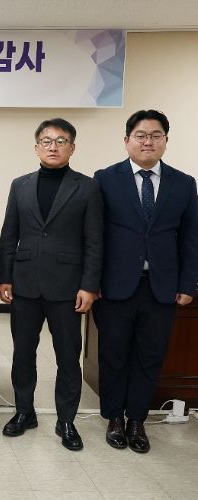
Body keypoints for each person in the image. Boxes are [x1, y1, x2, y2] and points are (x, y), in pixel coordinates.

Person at [94, 110, 198, 453]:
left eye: (156, 135)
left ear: (166, 141)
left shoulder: (184, 183)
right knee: (113, 354)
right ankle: (114, 417)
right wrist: (92, 281)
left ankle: (137, 420)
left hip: (162, 287)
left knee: (149, 356)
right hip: (115, 286)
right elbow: (95, 236)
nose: (148, 141)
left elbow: (191, 238)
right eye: (141, 135)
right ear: (127, 141)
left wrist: (188, 284)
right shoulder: (105, 179)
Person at [0, 118, 103, 451]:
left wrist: (89, 285)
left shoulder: (87, 187)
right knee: (22, 354)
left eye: (61, 141)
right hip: (25, 284)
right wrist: (4, 278)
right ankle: (24, 412)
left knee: (68, 357)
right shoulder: (20, 185)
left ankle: (66, 420)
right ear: (36, 147)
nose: (53, 146)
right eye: (46, 141)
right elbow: (9, 234)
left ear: (72, 147)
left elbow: (94, 241)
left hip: (68, 288)